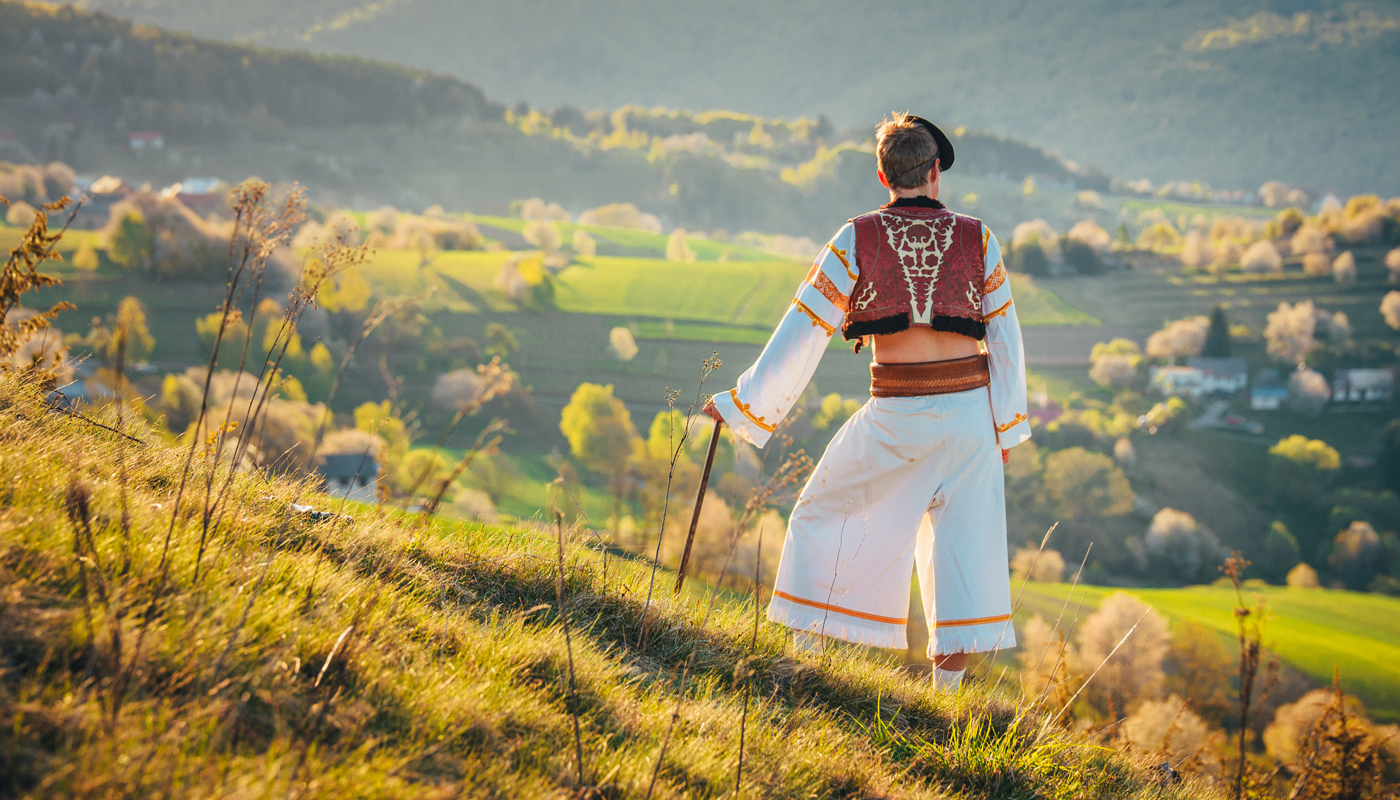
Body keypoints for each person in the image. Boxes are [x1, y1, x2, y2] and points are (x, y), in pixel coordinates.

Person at [702, 112, 1030, 691]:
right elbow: (1005, 337)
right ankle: (946, 701)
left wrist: (744, 404)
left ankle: (805, 665)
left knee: (818, 517)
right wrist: (1006, 428)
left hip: (897, 416)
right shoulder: (979, 237)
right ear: (934, 172)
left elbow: (807, 327)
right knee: (959, 548)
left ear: (884, 176)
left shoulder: (856, 237)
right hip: (973, 418)